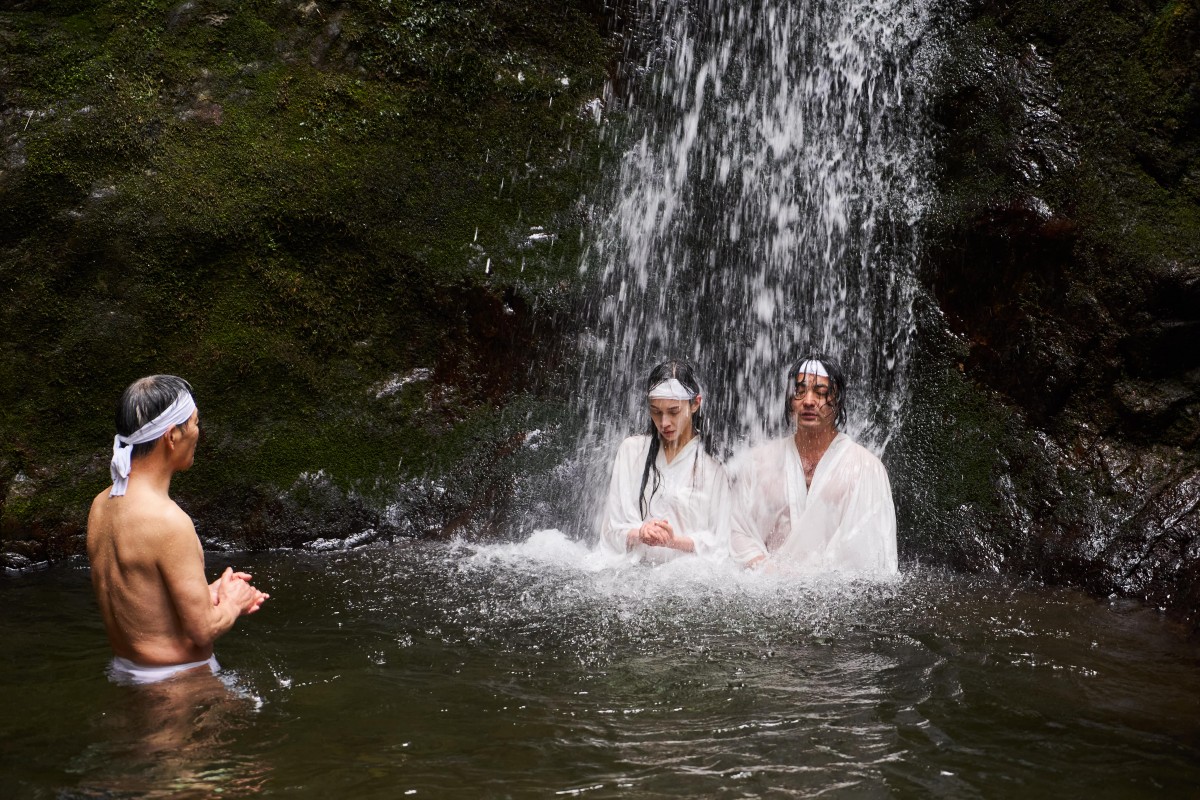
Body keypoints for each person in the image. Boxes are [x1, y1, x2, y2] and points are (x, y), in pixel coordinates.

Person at [87, 375, 269, 685]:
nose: (199, 432)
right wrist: (233, 603)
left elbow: (141, 599)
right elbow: (203, 631)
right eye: (195, 422)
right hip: (177, 684)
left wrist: (210, 593)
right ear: (172, 436)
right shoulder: (168, 521)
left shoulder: (102, 505)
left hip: (126, 673)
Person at [729, 354, 898, 573]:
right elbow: (736, 532)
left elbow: (872, 553)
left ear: (837, 399)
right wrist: (767, 569)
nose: (809, 401)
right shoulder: (758, 462)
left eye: (820, 392)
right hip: (766, 589)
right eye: (800, 391)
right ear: (790, 400)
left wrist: (809, 579)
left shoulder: (866, 468)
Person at [599, 359, 731, 563]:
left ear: (695, 403)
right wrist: (641, 533)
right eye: (656, 411)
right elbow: (612, 528)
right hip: (631, 574)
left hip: (685, 576)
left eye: (673, 411)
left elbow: (721, 543)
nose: (664, 423)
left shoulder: (715, 466)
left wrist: (673, 541)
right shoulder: (631, 450)